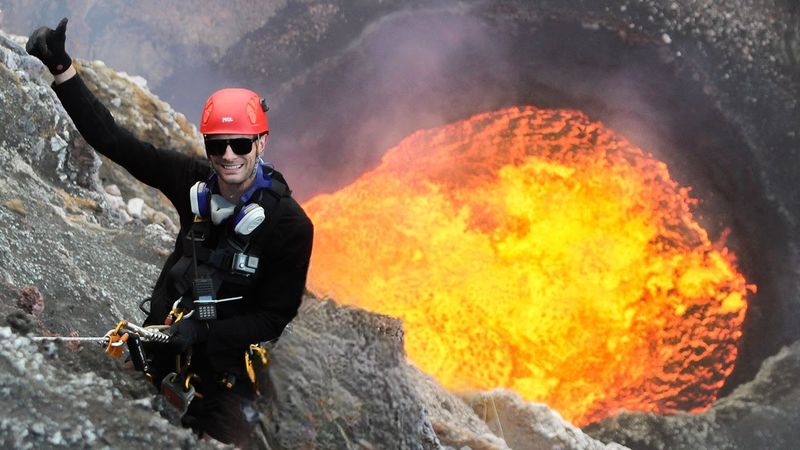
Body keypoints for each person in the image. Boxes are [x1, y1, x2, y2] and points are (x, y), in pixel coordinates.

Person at [26, 18, 313, 448]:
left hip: (227, 379)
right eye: (217, 144)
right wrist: (61, 69)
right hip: (159, 351)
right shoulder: (192, 182)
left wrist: (202, 331)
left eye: (240, 143)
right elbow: (117, 143)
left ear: (261, 142)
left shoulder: (290, 225)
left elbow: (274, 317)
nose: (228, 155)